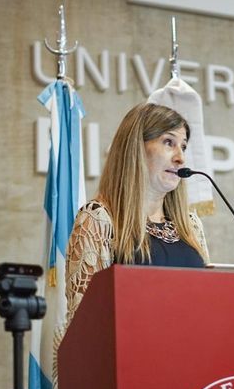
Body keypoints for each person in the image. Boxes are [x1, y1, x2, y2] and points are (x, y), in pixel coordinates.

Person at [64, 103, 210, 326]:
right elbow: (85, 324)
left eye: (184, 146)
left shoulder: (190, 224)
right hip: (129, 357)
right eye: (168, 142)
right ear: (136, 148)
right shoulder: (99, 219)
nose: (181, 158)